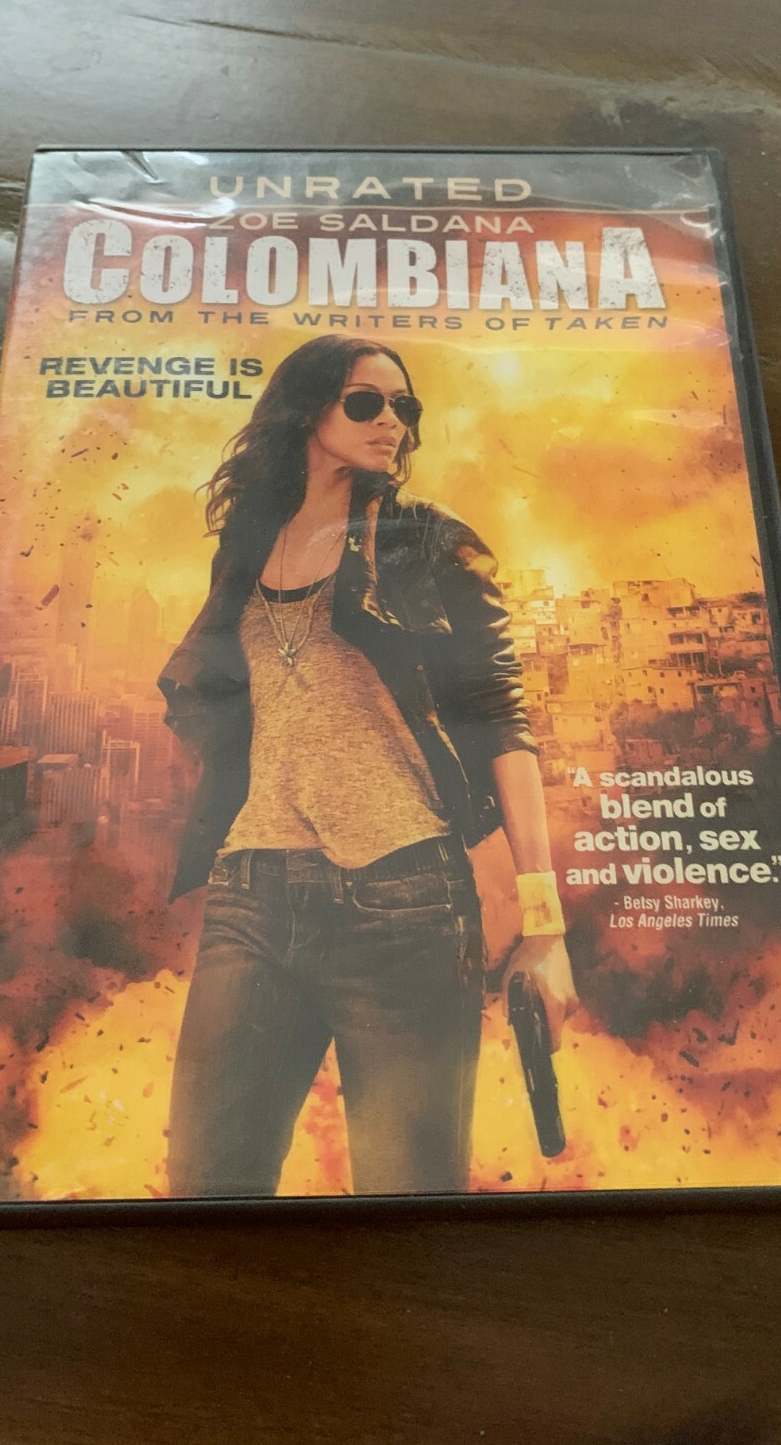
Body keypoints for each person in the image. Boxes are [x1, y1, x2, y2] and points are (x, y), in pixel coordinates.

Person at [158, 333, 576, 1198]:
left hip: (405, 909)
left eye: (403, 407)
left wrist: (545, 931)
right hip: (250, 898)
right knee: (205, 1190)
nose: (392, 422)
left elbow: (504, 726)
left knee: (408, 1200)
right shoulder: (246, 545)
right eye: (366, 402)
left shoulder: (430, 545)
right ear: (306, 410)